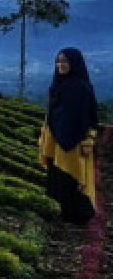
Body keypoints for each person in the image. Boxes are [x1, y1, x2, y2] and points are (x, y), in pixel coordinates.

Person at [39, 47, 101, 223]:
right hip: (55, 139)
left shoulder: (82, 87)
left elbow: (90, 117)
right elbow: (52, 113)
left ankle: (77, 217)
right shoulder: (57, 85)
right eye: (58, 61)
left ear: (74, 63)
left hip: (74, 140)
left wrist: (89, 139)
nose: (61, 65)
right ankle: (59, 213)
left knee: (72, 177)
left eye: (65, 61)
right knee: (56, 176)